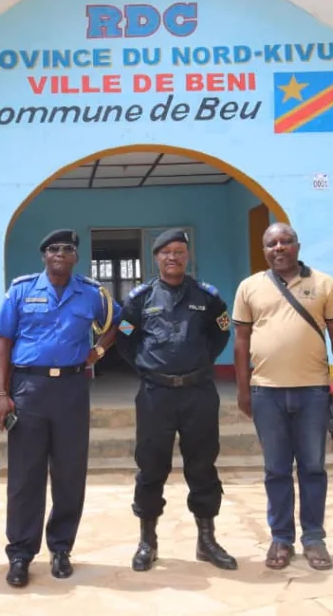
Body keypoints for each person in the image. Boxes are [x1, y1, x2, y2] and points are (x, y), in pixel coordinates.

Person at [0, 228, 120, 587]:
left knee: (69, 473)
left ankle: (61, 548)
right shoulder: (22, 290)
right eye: (53, 249)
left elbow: (117, 325)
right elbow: (3, 345)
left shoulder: (93, 294)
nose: (60, 253)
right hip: (29, 388)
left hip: (72, 389)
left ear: (76, 256)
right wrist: (1, 394)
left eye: (67, 248)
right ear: (43, 255)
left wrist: (97, 352)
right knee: (24, 476)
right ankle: (20, 554)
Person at [115, 228, 236, 573]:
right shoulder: (140, 299)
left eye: (179, 252)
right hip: (156, 395)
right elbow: (125, 336)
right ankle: (147, 541)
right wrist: (145, 364)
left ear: (188, 256)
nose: (173, 257)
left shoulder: (207, 297)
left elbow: (221, 331)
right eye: (166, 252)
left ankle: (207, 541)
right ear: (156, 258)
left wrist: (199, 362)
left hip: (199, 393)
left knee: (202, 466)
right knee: (151, 467)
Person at [232, 223, 333, 571]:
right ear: (264, 250)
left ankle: (313, 538)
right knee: (276, 470)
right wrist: (244, 389)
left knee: (312, 468)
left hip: (312, 391)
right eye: (272, 243)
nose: (279, 247)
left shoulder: (323, 284)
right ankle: (281, 538)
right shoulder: (249, 287)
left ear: (297, 245)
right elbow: (242, 342)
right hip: (266, 393)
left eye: (285, 241)